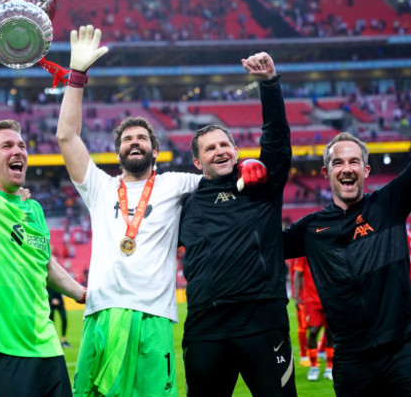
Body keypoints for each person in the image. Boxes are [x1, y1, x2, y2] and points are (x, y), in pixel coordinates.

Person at [56, 25, 269, 396]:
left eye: (142, 138)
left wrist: (245, 161)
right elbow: (67, 137)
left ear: (155, 151)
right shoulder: (99, 186)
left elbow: (216, 166)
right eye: (127, 139)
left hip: (155, 316)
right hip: (103, 312)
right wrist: (76, 77)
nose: (133, 142)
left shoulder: (177, 183)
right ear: (118, 151)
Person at [0, 36, 86, 397]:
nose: (18, 151)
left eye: (22, 145)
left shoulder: (34, 208)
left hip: (48, 348)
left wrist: (79, 292)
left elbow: (43, 263)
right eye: (7, 146)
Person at [284, 77, 411, 397]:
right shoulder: (312, 228)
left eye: (355, 161)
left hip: (404, 352)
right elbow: (262, 241)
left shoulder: (388, 204)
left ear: (366, 171)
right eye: (338, 162)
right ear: (326, 173)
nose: (347, 168)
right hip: (352, 361)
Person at [179, 52, 296, 397]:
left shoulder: (262, 186)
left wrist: (269, 84)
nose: (220, 151)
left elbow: (276, 141)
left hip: (263, 320)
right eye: (210, 148)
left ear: (235, 149)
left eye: (225, 144)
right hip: (205, 325)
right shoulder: (185, 203)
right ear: (198, 161)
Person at [293, 257, 334, 381]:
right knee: (312, 332)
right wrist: (296, 296)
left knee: (330, 333)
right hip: (310, 300)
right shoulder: (303, 254)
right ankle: (314, 367)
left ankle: (330, 367)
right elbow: (297, 274)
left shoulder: (326, 249)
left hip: (328, 298)